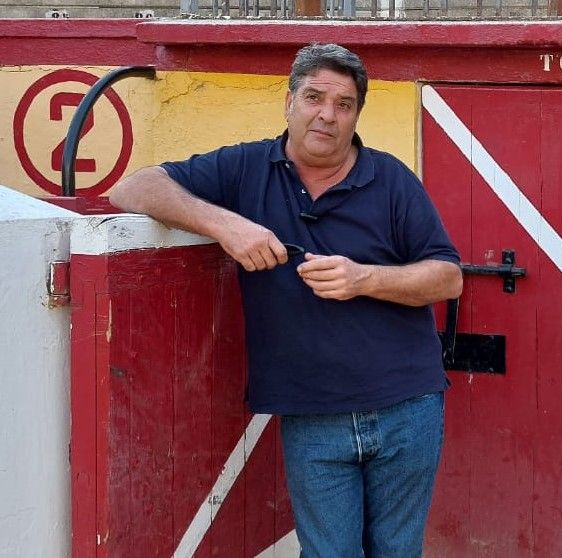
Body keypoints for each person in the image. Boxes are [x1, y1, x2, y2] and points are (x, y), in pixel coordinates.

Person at [109, 43, 462, 557]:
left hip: (407, 407)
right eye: (314, 97)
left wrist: (364, 279)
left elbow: (447, 278)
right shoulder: (246, 168)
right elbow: (133, 188)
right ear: (290, 101)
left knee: (397, 551)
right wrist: (226, 225)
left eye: (344, 104)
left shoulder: (391, 179)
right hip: (311, 414)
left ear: (357, 115)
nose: (327, 115)